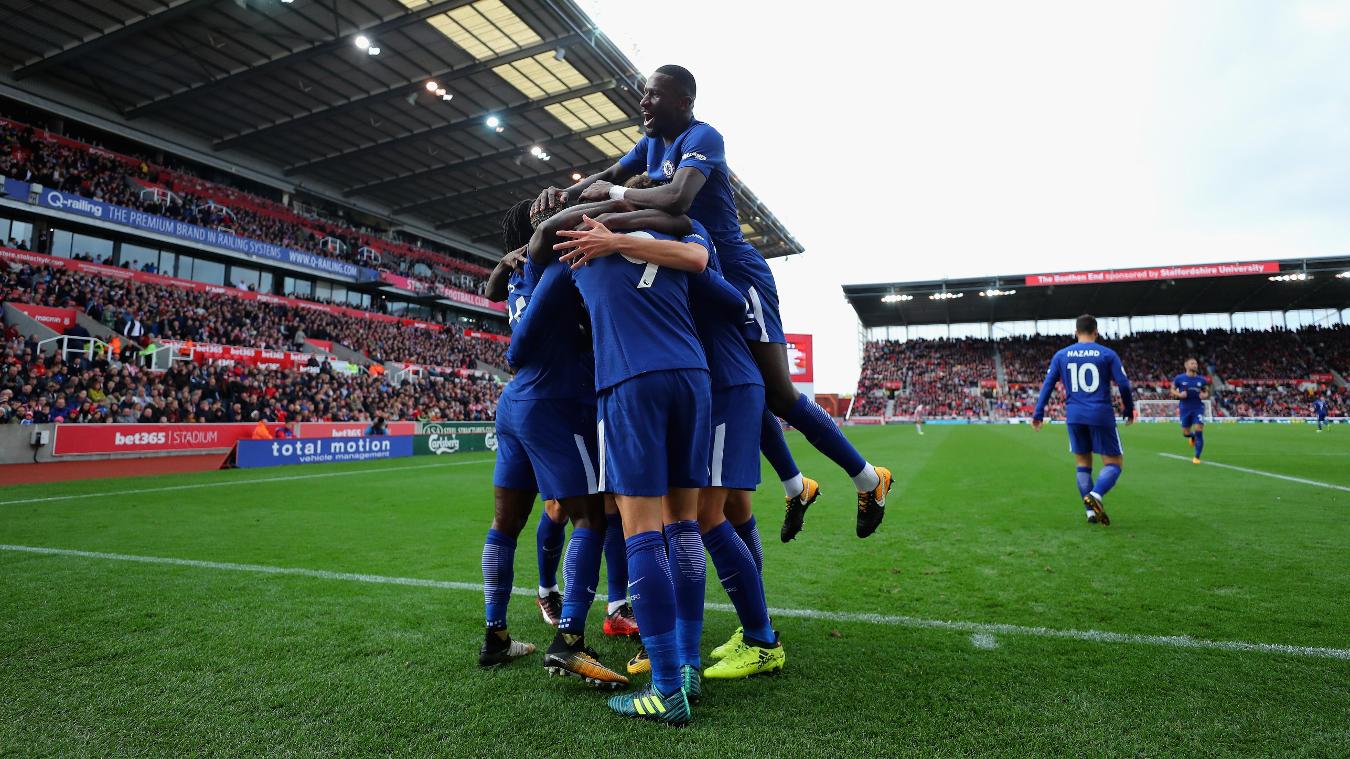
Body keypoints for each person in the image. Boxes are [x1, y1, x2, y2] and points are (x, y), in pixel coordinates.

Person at [533, 65, 892, 543]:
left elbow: (678, 199)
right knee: (733, 383)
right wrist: (566, 195)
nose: (644, 102)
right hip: (695, 275)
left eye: (654, 96)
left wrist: (613, 195)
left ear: (684, 102)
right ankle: (795, 485)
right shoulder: (651, 144)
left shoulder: (704, 136)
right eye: (643, 94)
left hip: (738, 275)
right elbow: (608, 175)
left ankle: (868, 478)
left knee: (777, 392)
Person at [534, 198, 712, 726]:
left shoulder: (575, 244)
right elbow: (701, 262)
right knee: (683, 528)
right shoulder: (677, 233)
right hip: (693, 378)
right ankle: (689, 668)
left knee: (640, 535)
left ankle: (664, 689)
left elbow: (532, 333)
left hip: (630, 383)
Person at [475, 207, 627, 688]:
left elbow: (492, 291)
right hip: (556, 401)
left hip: (514, 402)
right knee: (591, 517)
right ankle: (569, 641)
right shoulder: (558, 268)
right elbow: (527, 342)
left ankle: (496, 636)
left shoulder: (518, 274)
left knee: (505, 524)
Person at [1031, 315, 1135, 526]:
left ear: (1076, 332)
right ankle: (1096, 495)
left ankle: (1089, 512)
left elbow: (1048, 385)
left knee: (1082, 464)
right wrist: (1128, 409)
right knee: (1114, 464)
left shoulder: (1061, 355)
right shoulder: (1107, 354)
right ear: (1096, 332)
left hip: (1075, 415)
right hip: (1101, 414)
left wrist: (1038, 413)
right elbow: (1123, 384)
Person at [1171, 358, 1209, 464]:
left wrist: (1204, 395)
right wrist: (1179, 395)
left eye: (1196, 363)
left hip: (1198, 407)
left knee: (1199, 429)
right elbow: (1172, 389)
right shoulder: (1179, 378)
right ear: (1186, 365)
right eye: (1192, 363)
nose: (1195, 365)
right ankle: (1192, 437)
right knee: (1186, 433)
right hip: (1185, 408)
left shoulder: (1202, 380)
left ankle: (1197, 457)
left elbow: (1206, 391)